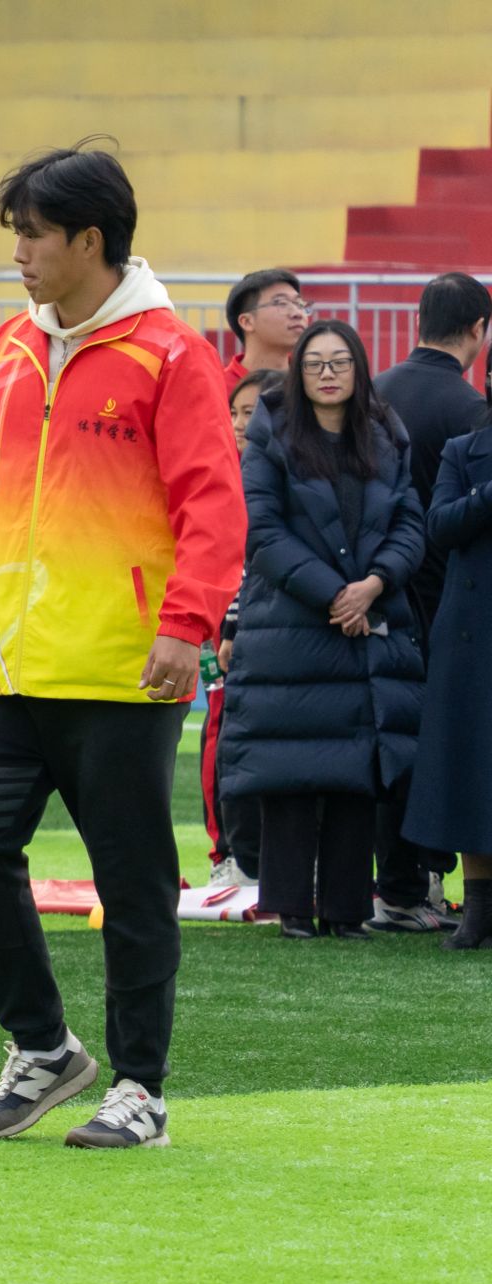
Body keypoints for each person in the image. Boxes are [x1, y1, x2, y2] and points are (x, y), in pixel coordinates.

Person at [0, 144, 245, 1150]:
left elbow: (212, 505)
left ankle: (140, 1089)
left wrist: (184, 625)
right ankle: (43, 1048)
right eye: (15, 234)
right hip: (10, 668)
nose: (18, 253)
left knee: (132, 884)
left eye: (32, 234)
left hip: (123, 670)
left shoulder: (171, 356)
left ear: (89, 240)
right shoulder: (8, 350)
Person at [221, 321, 424, 940]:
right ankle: (291, 907)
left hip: (368, 620)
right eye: (314, 364)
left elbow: (410, 521)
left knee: (356, 771)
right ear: (298, 373)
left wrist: (374, 584)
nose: (328, 374)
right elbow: (261, 530)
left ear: (359, 368)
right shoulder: (273, 432)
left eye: (339, 362)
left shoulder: (386, 431)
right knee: (290, 770)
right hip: (292, 624)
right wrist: (335, 594)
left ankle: (345, 908)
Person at [368, 271, 490, 930]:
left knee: (388, 744)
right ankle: (427, 885)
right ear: (478, 329)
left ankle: (397, 887)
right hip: (453, 604)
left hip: (373, 592)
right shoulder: (469, 411)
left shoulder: (373, 393)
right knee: (448, 750)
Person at [404, 411, 492, 948]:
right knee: (472, 770)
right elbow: (439, 526)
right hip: (471, 636)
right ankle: (478, 907)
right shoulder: (462, 450)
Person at [201, 369, 280, 889]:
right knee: (226, 740)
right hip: (229, 635)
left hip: (274, 633)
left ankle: (275, 860)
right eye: (233, 413)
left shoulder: (284, 475)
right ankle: (233, 855)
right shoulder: (221, 474)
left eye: (250, 413)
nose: (238, 424)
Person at [223, 268, 307, 394]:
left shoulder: (311, 380)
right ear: (247, 322)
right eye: (281, 303)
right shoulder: (219, 387)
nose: (297, 313)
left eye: (299, 304)